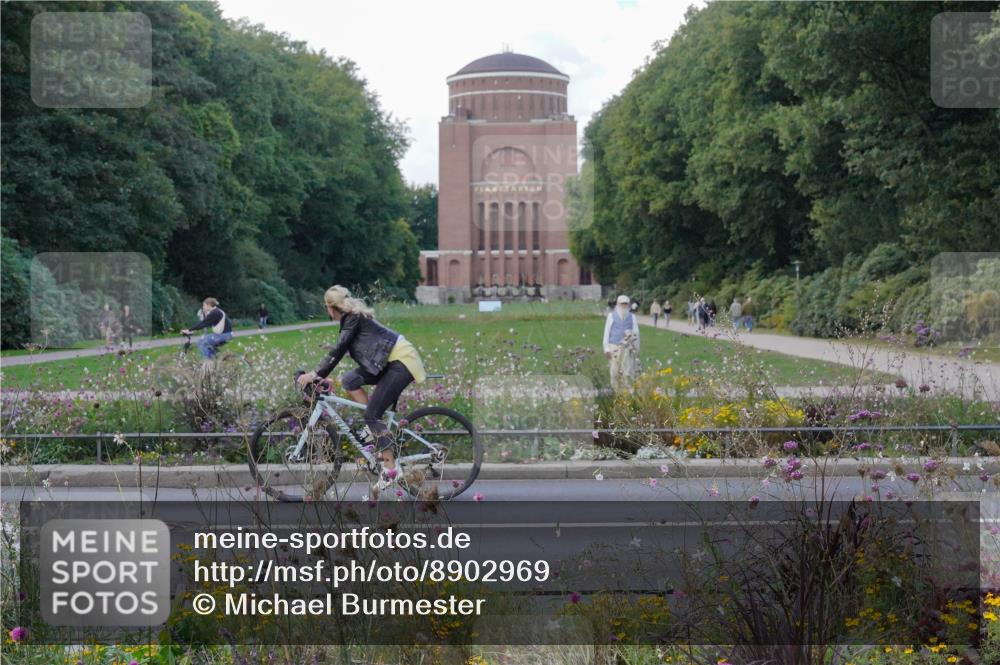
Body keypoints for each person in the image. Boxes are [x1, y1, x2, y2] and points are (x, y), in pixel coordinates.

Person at [296, 285, 427, 493]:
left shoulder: (352, 319)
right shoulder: (352, 319)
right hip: (387, 361)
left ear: (330, 307)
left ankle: (390, 469)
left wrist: (315, 374)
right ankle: (372, 429)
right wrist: (322, 375)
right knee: (349, 380)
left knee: (372, 415)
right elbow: (343, 350)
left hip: (401, 361)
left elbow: (338, 350)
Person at [603, 294, 641, 392]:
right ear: (618, 304)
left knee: (627, 371)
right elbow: (607, 332)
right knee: (614, 370)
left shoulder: (632, 317)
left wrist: (636, 348)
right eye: (622, 304)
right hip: (614, 346)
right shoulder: (611, 316)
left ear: (628, 305)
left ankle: (626, 392)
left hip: (627, 348)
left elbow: (636, 332)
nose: (624, 306)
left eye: (625, 304)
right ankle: (615, 390)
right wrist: (606, 349)